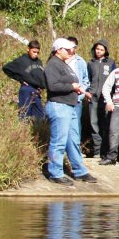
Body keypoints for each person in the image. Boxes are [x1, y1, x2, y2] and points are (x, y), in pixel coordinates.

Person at [44, 38, 97, 185]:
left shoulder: (63, 64)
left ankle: (79, 171)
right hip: (59, 106)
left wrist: (79, 89)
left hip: (70, 106)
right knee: (59, 142)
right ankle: (55, 172)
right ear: (58, 50)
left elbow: (68, 83)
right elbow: (52, 86)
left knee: (73, 140)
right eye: (67, 49)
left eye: (71, 49)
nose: (70, 51)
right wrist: (72, 86)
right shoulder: (52, 65)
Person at [86, 39, 116, 159]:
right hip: (93, 97)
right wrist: (88, 92)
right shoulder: (90, 63)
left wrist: (112, 97)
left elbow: (115, 81)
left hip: (106, 98)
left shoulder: (111, 63)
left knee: (106, 124)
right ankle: (97, 152)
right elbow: (87, 79)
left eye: (102, 49)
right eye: (97, 49)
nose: (99, 51)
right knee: (94, 123)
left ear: (106, 51)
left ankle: (106, 151)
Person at [2, 39, 45, 120]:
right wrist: (20, 79)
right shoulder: (21, 60)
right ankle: (22, 130)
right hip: (26, 89)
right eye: (34, 51)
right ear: (28, 49)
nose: (36, 54)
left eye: (37, 52)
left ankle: (38, 130)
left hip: (36, 91)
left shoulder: (39, 62)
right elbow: (6, 68)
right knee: (24, 114)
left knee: (40, 115)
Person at [66, 36, 89, 137]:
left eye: (73, 46)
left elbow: (86, 80)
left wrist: (81, 93)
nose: (70, 48)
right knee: (64, 125)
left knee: (76, 125)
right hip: (64, 98)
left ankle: (76, 149)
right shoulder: (60, 60)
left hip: (77, 98)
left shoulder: (81, 61)